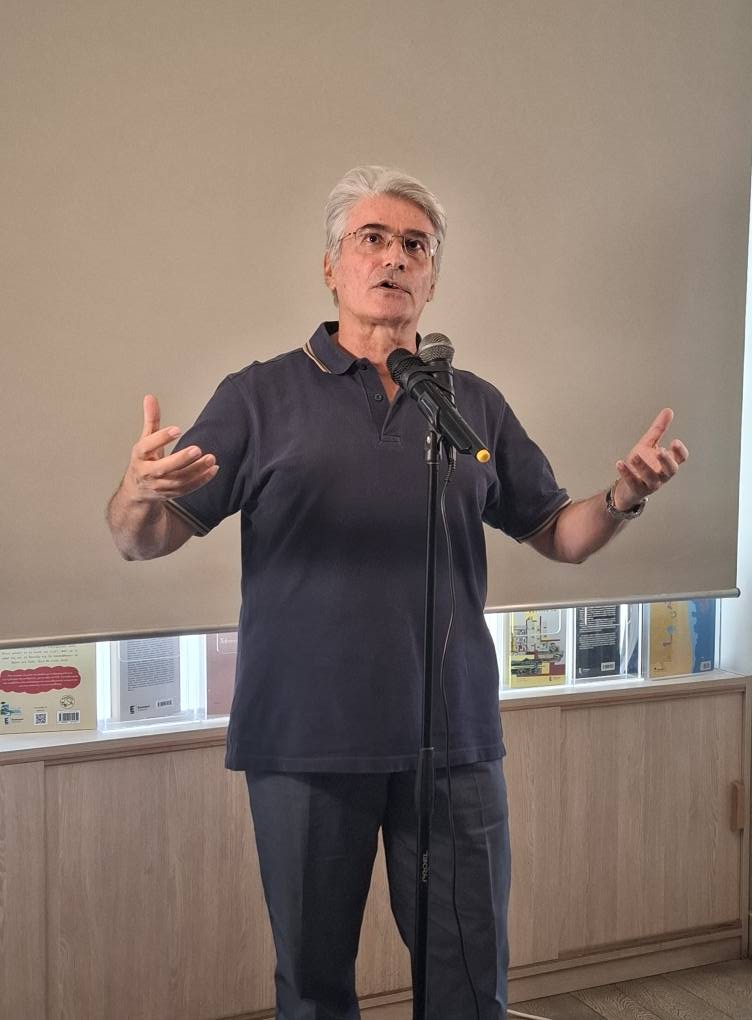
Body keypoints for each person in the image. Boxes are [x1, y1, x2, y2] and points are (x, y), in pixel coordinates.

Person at [106, 165, 688, 1020]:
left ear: (433, 276)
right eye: (372, 239)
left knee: (470, 983)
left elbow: (559, 533)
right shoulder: (260, 396)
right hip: (305, 744)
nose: (394, 257)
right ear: (332, 266)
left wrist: (624, 498)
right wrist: (135, 492)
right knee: (314, 987)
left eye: (416, 245)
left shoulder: (473, 406)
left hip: (453, 743)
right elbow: (143, 538)